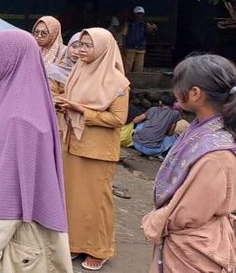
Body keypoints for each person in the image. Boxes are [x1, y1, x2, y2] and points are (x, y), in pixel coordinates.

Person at [0, 30, 73, 273]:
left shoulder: (18, 121)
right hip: (16, 241)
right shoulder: (24, 104)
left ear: (10, 60)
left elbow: (9, 198)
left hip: (8, 246)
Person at [142, 54, 236, 272]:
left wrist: (157, 219)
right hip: (184, 241)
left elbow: (190, 213)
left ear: (195, 93)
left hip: (193, 247)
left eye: (178, 84)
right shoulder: (200, 128)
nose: (175, 90)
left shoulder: (217, 154)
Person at [55, 28, 129, 271]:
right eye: (80, 44)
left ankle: (100, 248)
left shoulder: (117, 82)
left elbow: (118, 119)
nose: (81, 50)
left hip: (97, 149)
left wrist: (79, 110)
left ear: (103, 49)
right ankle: (77, 243)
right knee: (75, 198)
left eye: (88, 46)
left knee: (97, 201)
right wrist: (63, 104)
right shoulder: (79, 71)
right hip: (73, 142)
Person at [131, 92, 186, 157]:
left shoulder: (153, 109)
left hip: (136, 144)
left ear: (160, 102)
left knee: (141, 125)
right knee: (175, 137)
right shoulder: (175, 114)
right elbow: (170, 133)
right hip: (151, 150)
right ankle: (165, 155)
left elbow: (135, 120)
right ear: (173, 103)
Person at [48, 33, 81, 131]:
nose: (76, 52)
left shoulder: (92, 72)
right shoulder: (54, 71)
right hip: (59, 121)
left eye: (81, 48)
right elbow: (50, 98)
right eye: (74, 46)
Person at [121, 6, 157, 73]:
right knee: (127, 68)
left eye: (141, 13)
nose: (139, 15)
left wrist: (153, 28)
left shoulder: (145, 24)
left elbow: (151, 32)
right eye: (138, 13)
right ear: (134, 14)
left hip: (141, 49)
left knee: (139, 68)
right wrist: (124, 46)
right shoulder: (129, 24)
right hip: (130, 49)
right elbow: (124, 35)